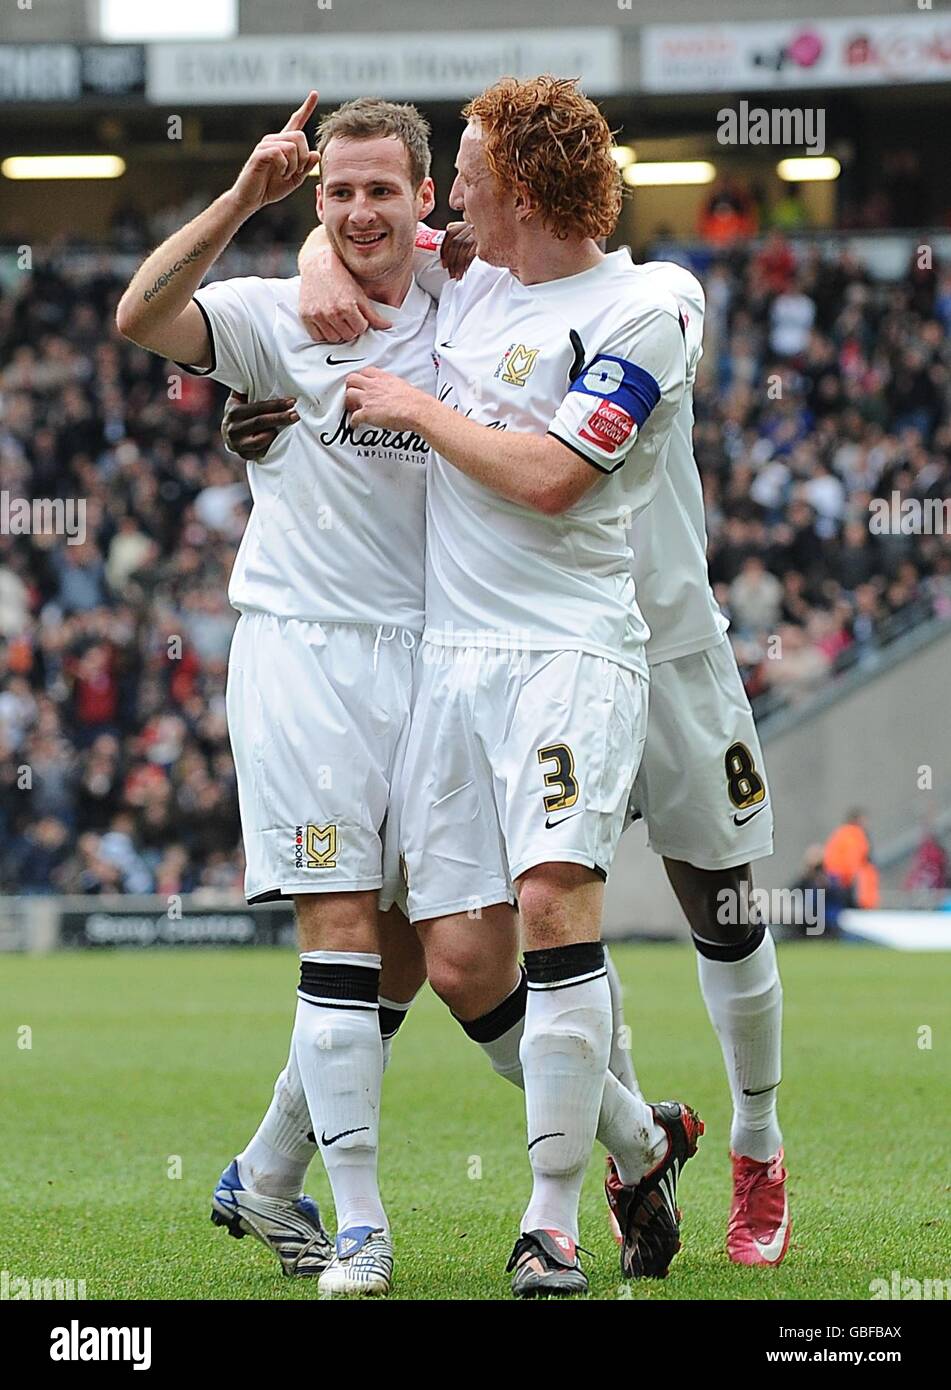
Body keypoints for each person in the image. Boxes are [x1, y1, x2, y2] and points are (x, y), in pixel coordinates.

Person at [234, 83, 790, 1277]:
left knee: (722, 906)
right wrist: (314, 255)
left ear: (517, 192)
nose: (450, 200)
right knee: (456, 949)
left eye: (470, 170)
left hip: (649, 636)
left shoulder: (657, 300)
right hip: (462, 656)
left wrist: (417, 405)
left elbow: (550, 475)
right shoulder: (469, 278)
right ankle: (632, 1146)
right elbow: (364, 222)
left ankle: (751, 1141)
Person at [116, 92, 443, 1296]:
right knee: (344, 929)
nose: (358, 212)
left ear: (427, 194)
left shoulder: (469, 297)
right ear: (317, 196)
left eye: (380, 190)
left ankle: (262, 1172)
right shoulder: (271, 314)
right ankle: (358, 1221)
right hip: (304, 652)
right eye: (337, 193)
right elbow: (141, 312)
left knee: (416, 945)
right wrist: (251, 199)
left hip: (442, 656)